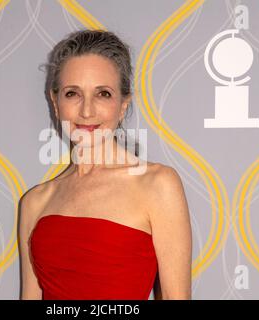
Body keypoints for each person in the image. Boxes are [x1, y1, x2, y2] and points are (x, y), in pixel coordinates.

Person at [18, 29, 192, 300]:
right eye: (73, 93)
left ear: (123, 105)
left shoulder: (157, 184)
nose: (87, 111)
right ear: (55, 102)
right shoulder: (35, 201)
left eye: (103, 94)